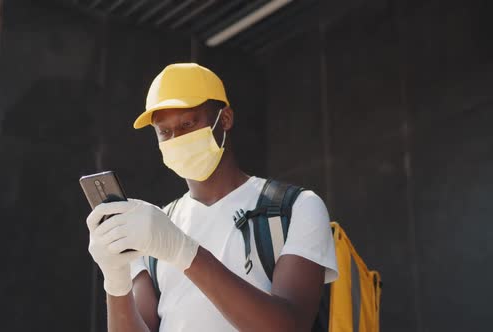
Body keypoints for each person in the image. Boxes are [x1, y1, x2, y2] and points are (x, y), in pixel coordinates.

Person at [86, 63, 338, 331]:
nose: (176, 139)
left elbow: (289, 328)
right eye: (164, 132)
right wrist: (115, 278)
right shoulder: (156, 227)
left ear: (225, 119)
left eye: (187, 124)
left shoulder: (294, 208)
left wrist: (184, 252)